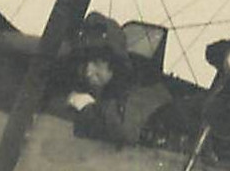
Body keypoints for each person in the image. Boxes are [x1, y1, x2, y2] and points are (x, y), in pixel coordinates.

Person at [65, 12, 172, 146]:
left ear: (115, 63)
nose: (88, 72)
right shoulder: (104, 89)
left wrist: (87, 108)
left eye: (97, 62)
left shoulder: (146, 90)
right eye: (85, 62)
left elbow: (126, 132)